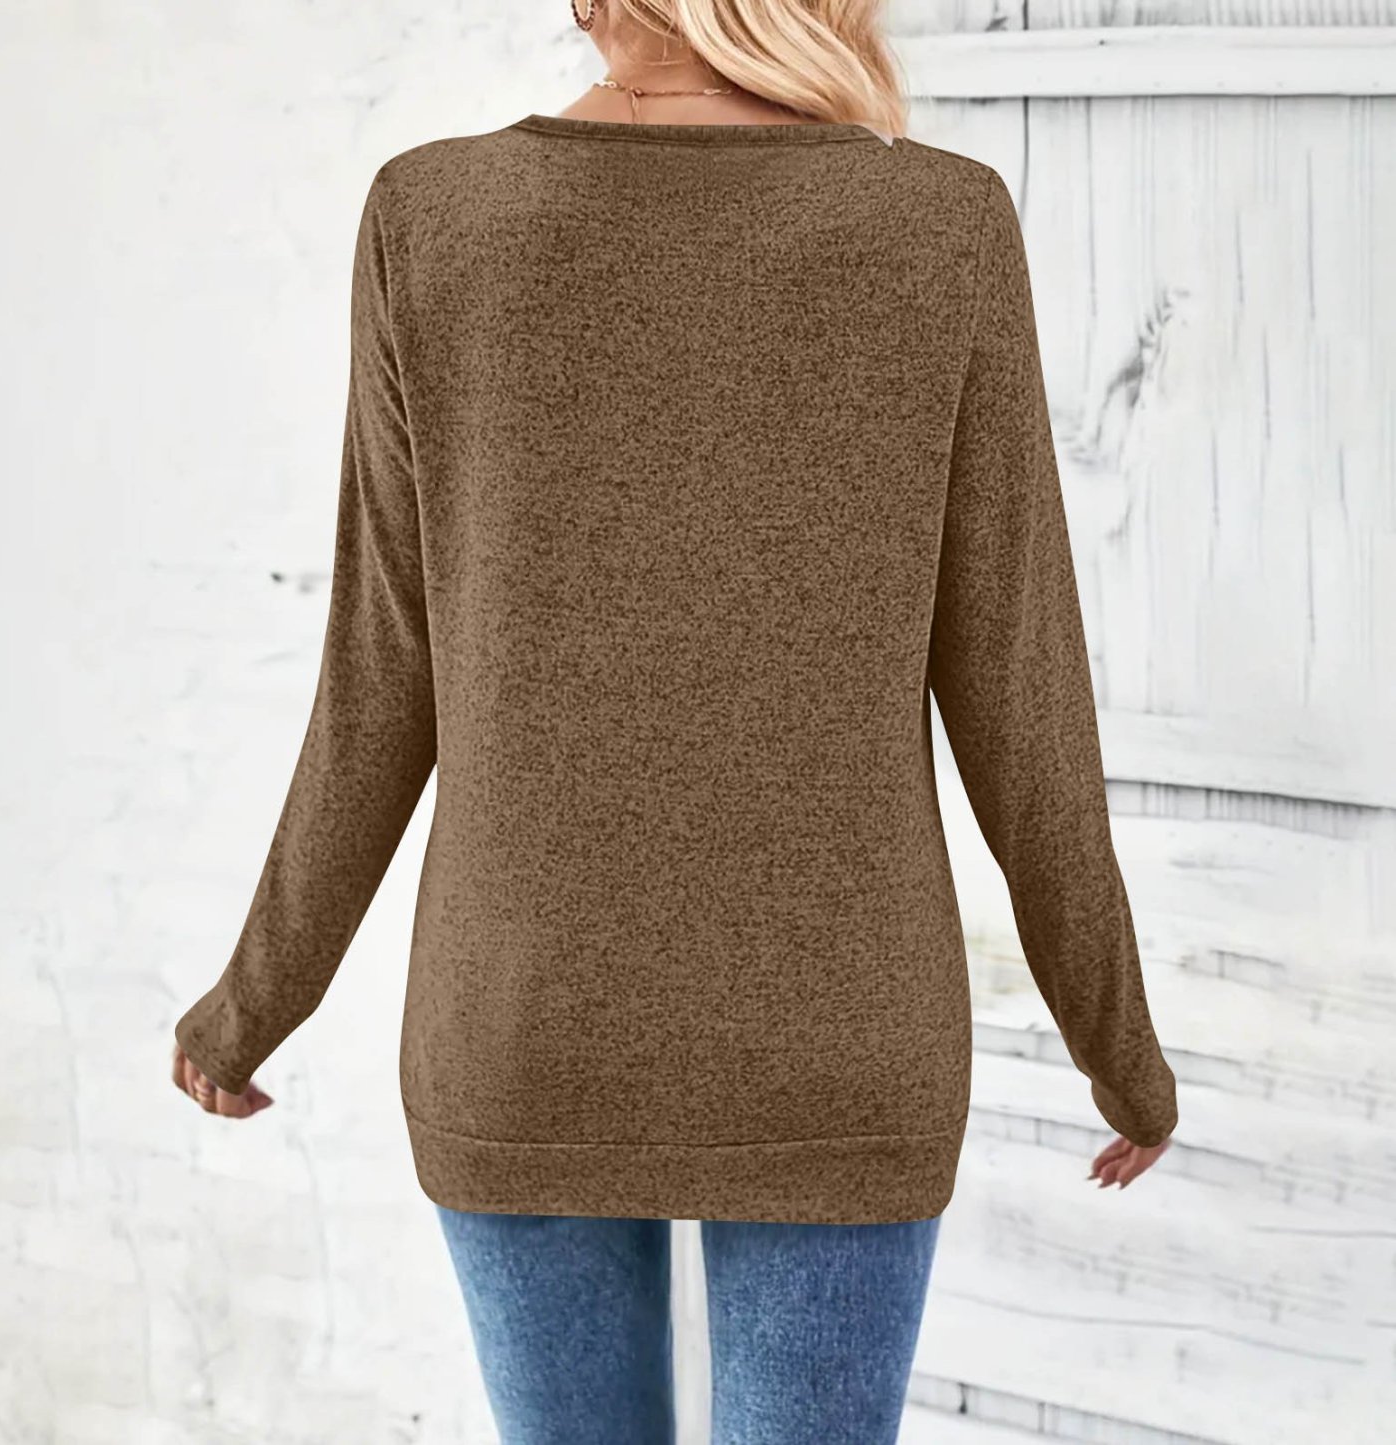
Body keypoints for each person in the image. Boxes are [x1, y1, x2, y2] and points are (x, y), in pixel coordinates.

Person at [171, 0, 1180, 1439]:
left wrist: (248, 1008)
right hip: (840, 1031)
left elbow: (381, 674)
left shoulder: (434, 219)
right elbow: (1021, 690)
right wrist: (1118, 1047)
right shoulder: (936, 226)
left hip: (519, 1021)